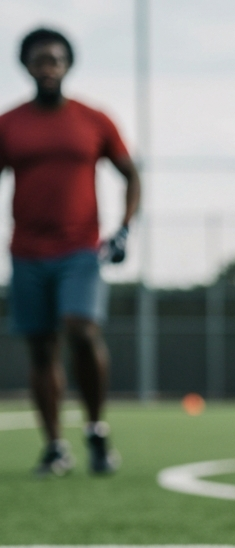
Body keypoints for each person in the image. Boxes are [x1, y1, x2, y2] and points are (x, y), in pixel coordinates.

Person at [0, 27, 140, 476]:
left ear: (67, 65)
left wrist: (123, 230)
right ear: (26, 66)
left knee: (80, 329)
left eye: (55, 60)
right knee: (41, 348)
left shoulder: (92, 119)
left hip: (81, 249)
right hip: (26, 251)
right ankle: (55, 446)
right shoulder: (10, 124)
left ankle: (97, 431)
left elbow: (131, 175)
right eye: (39, 60)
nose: (48, 68)